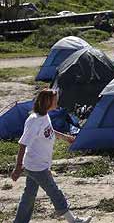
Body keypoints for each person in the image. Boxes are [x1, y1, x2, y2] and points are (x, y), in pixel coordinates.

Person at [11, 89, 92, 223]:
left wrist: (64, 137)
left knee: (29, 196)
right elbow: (22, 144)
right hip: (36, 166)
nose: (57, 102)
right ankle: (73, 220)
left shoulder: (45, 116)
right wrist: (18, 167)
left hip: (37, 164)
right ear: (48, 101)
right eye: (55, 100)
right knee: (55, 192)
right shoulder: (34, 120)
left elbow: (48, 131)